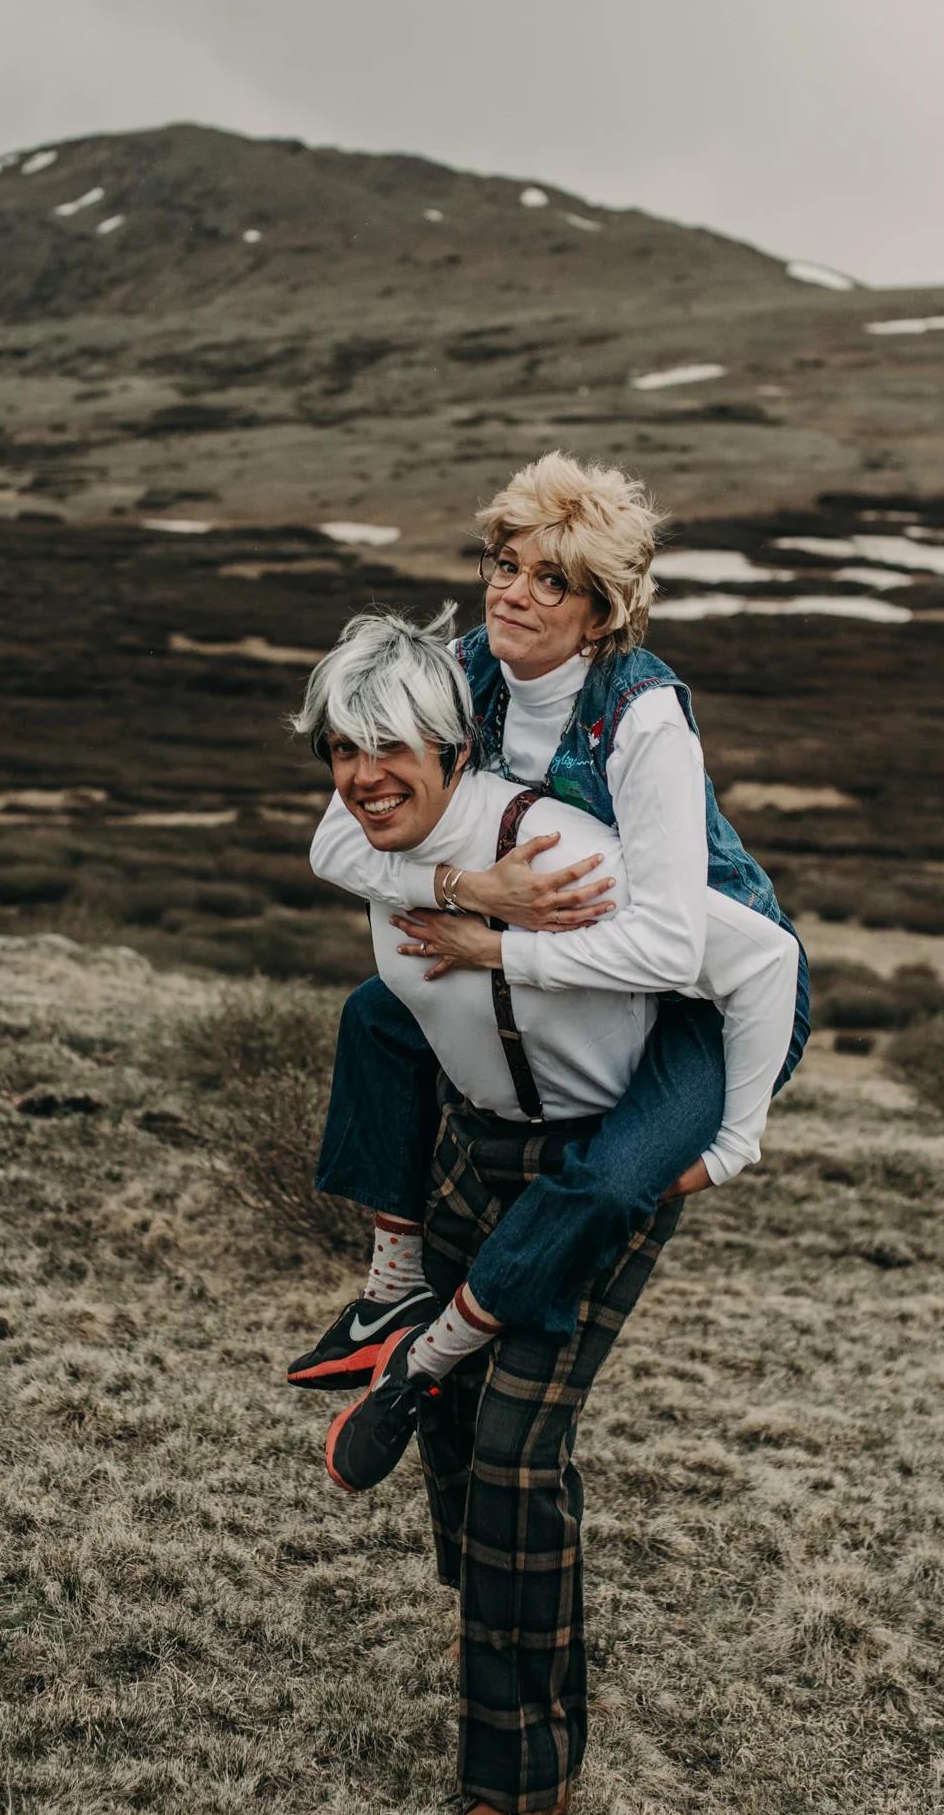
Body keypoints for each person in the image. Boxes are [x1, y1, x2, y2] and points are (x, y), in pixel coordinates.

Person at [291, 609, 800, 1815]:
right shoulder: (378, 846)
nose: (363, 777)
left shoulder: (571, 854)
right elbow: (339, 851)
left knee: (517, 1452)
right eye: (343, 751)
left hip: (595, 1162)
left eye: (391, 747)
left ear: (456, 746)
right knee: (466, 1448)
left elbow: (761, 958)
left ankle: (518, 1786)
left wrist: (728, 1139)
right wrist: (455, 888)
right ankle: (513, 1618)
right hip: (478, 1146)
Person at [288, 451, 809, 1395]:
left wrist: (499, 948)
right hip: (556, 946)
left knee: (613, 1178)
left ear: (601, 611)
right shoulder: (462, 671)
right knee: (377, 1012)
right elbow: (336, 846)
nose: (514, 595)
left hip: (708, 983)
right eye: (505, 565)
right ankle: (392, 1288)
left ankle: (443, 1350)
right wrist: (465, 890)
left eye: (552, 580)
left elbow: (669, 946)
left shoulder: (642, 718)